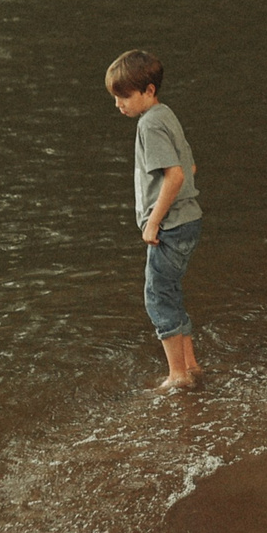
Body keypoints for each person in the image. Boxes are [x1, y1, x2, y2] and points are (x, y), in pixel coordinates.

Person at [107, 48, 203, 391]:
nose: (119, 105)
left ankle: (177, 375)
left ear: (148, 90)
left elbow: (175, 176)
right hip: (189, 220)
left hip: (171, 225)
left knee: (157, 296)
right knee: (171, 291)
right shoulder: (166, 115)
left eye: (125, 97)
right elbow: (191, 167)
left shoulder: (149, 125)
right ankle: (191, 366)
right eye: (115, 97)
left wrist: (152, 222)